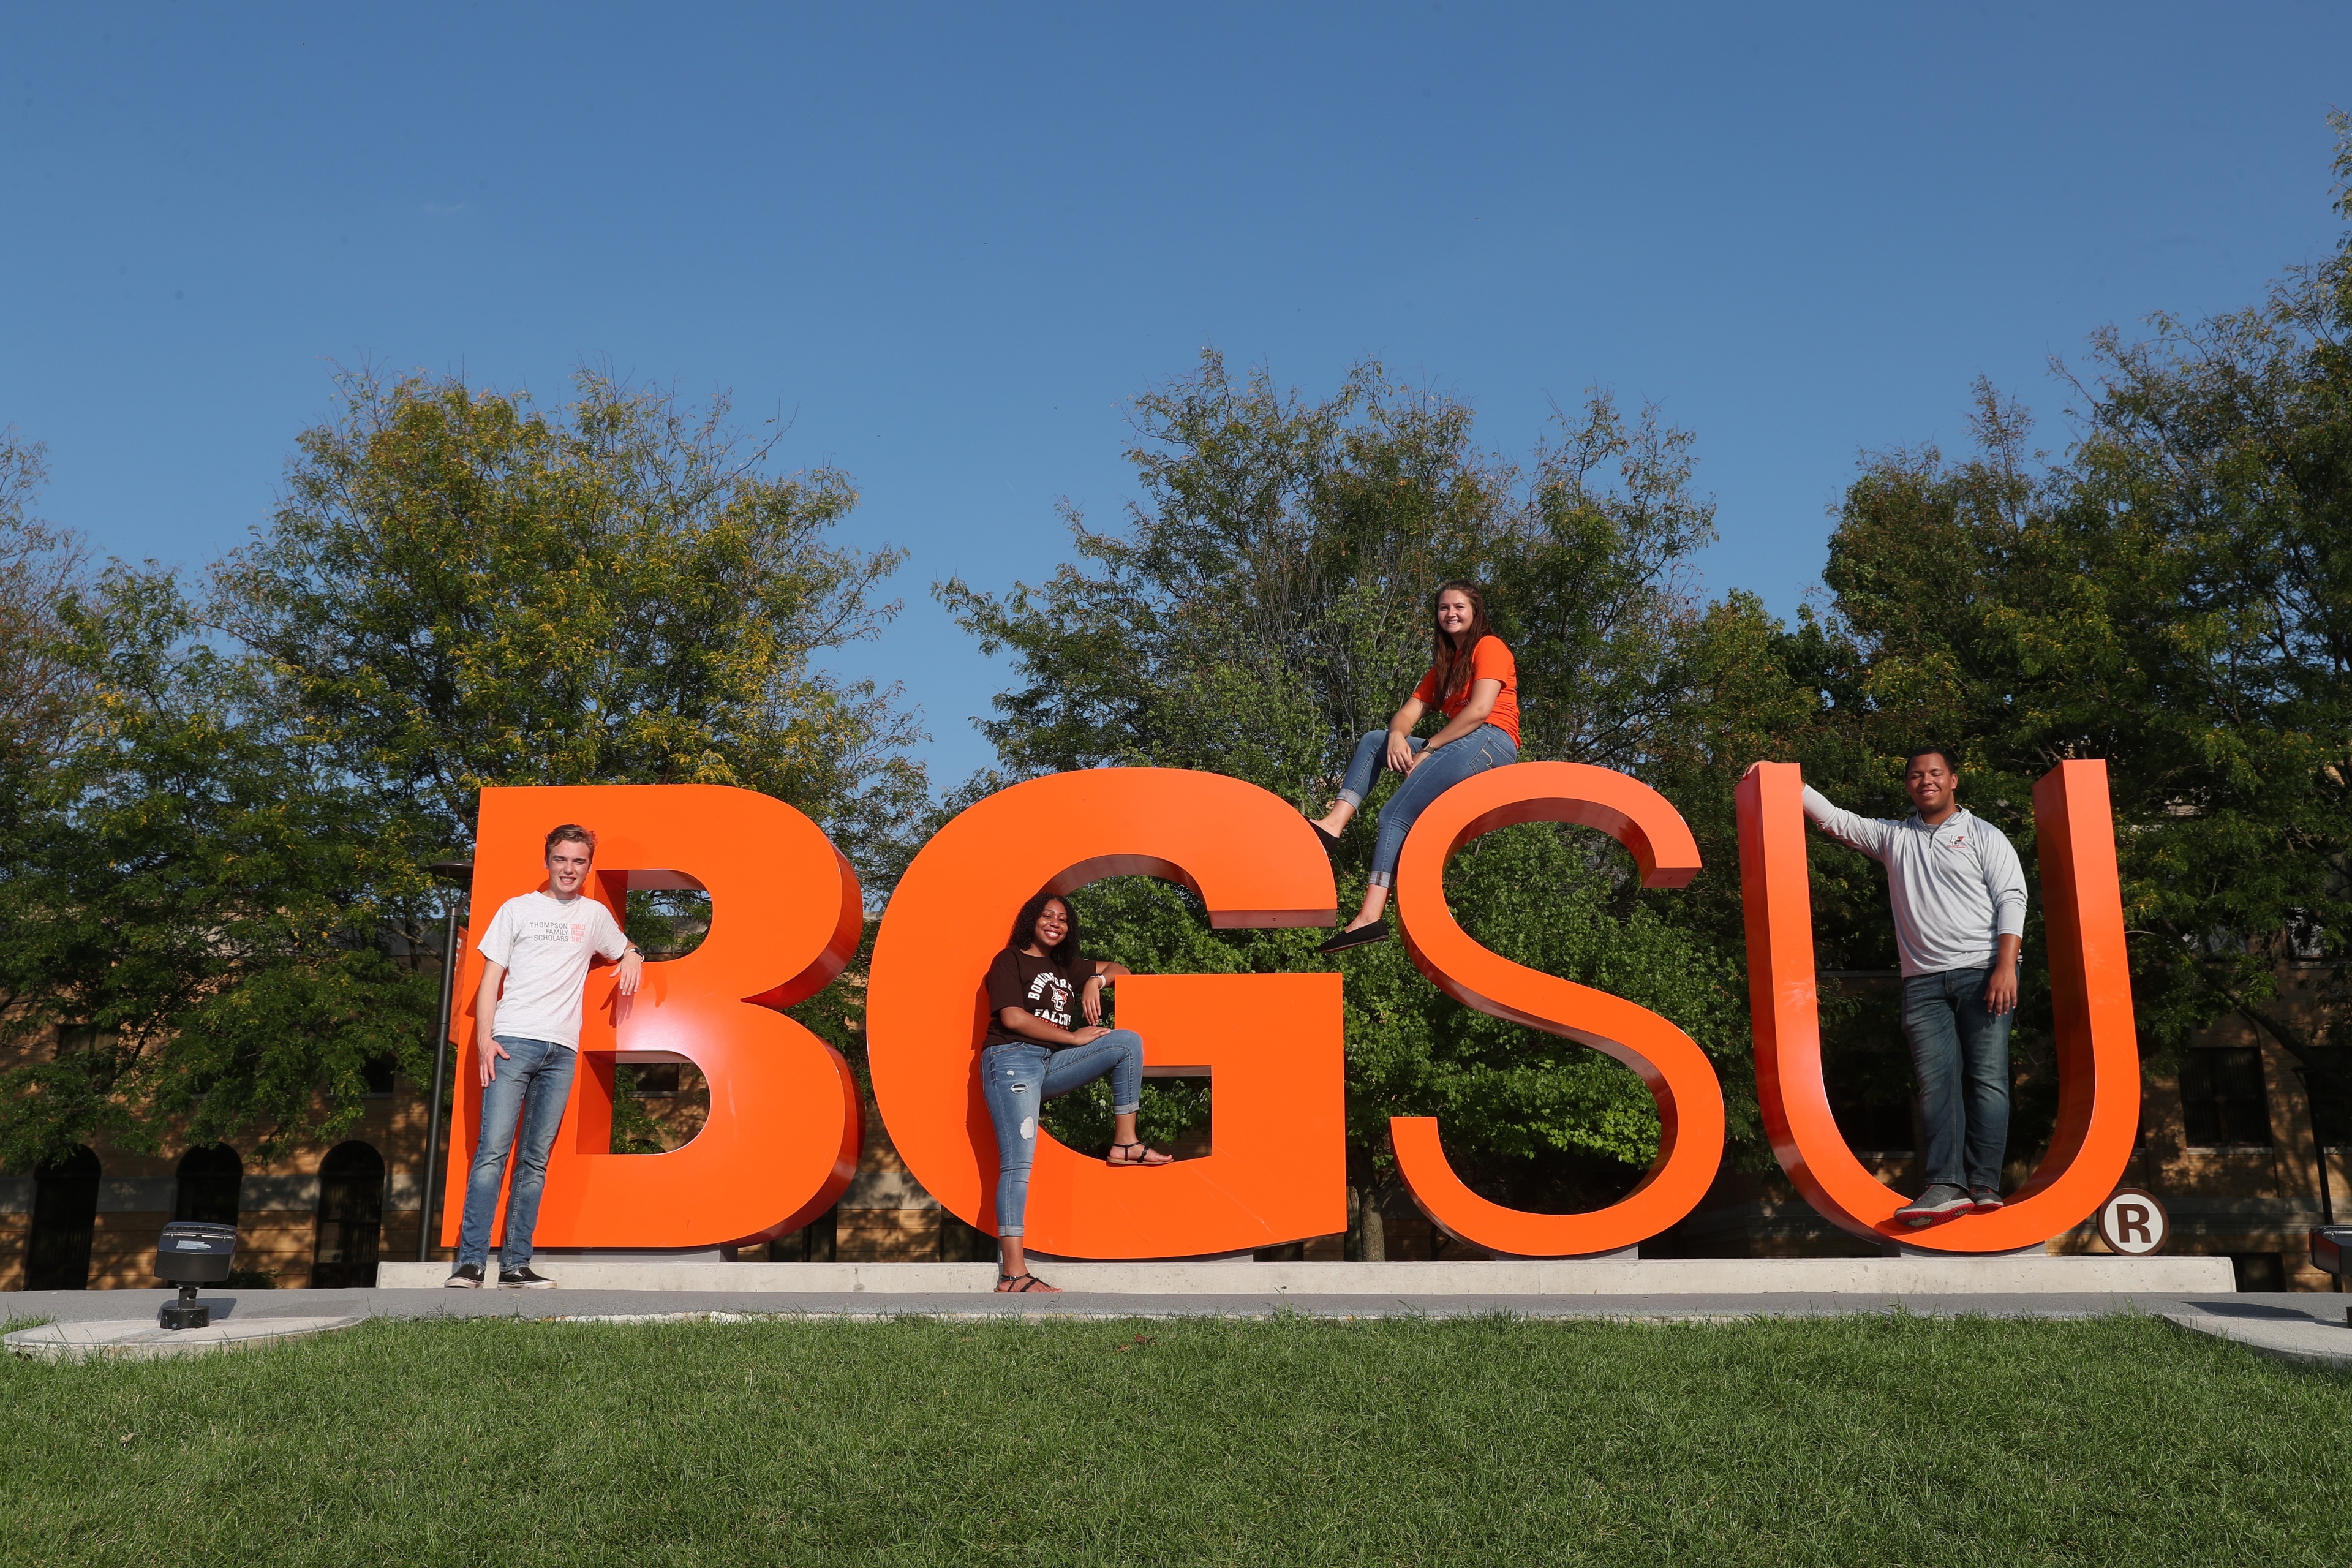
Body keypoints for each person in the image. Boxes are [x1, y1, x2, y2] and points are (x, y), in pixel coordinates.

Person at [1793, 748, 2027, 1227]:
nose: (1927, 781)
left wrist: (2006, 964)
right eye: (1917, 775)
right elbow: (1836, 820)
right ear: (1908, 786)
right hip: (1922, 981)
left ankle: (1985, 1184)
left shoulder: (1985, 835)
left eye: (1936, 773)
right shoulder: (1894, 837)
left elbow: (2012, 896)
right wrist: (1782, 783)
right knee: (1936, 1085)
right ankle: (1947, 1185)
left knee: (1987, 1080)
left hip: (1984, 971)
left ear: (1954, 781)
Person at [445, 824, 644, 1287]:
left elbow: (623, 946)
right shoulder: (518, 909)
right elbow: (490, 977)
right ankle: (471, 1262)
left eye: (578, 861)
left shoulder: (593, 916)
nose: (569, 869)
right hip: (512, 1042)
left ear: (587, 866)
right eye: (561, 859)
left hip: (562, 1050)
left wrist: (633, 953)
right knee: (492, 1154)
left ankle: (515, 1265)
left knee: (534, 1161)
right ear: (548, 861)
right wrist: (484, 1039)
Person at [1309, 580, 1520, 954]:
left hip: (1491, 742)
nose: (1451, 613)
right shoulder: (1444, 668)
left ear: (1475, 612)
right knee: (1376, 739)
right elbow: (1408, 713)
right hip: (1461, 741)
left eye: (1459, 607)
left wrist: (1429, 749)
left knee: (1395, 815)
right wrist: (1396, 735)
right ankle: (1332, 826)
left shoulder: (1490, 647)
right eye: (1443, 608)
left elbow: (1479, 710)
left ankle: (1370, 916)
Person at [979, 890, 1170, 1294]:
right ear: (1032, 919)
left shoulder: (1069, 968)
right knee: (1018, 1165)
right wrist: (1072, 1037)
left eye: (1063, 919)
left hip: (1050, 1063)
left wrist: (1095, 981)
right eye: (1047, 915)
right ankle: (1013, 1275)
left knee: (1125, 1042)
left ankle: (1125, 1143)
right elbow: (1013, 1017)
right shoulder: (1009, 960)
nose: (1055, 923)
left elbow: (1124, 969)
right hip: (1012, 1062)